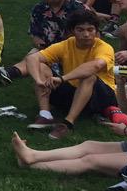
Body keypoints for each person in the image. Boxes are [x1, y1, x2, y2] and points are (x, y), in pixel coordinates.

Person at [12, 52, 127, 180]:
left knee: (90, 160)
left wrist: (125, 131)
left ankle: (32, 164)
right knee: (89, 145)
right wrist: (121, 85)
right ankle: (33, 155)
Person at [24, 9, 119, 139]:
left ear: (96, 31)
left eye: (90, 30)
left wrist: (62, 78)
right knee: (40, 67)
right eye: (80, 30)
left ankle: (68, 123)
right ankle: (45, 115)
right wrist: (39, 81)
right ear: (72, 31)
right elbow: (32, 58)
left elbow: (95, 66)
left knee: (89, 76)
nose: (86, 34)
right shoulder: (66, 44)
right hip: (75, 91)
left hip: (102, 98)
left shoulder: (104, 47)